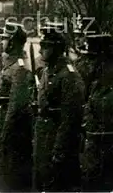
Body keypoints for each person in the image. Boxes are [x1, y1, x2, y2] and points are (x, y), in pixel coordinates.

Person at [32, 22, 84, 192]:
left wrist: (59, 149)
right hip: (44, 137)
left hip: (58, 140)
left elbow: (70, 117)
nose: (40, 51)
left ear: (56, 48)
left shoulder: (69, 75)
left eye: (45, 47)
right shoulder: (48, 71)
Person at [0, 22, 33, 192]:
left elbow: (16, 106)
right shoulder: (10, 63)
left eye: (5, 39)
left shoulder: (20, 68)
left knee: (13, 169)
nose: (1, 42)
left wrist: (5, 131)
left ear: (13, 42)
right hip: (3, 118)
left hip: (13, 126)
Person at [82, 33, 113, 192]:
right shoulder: (97, 84)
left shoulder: (106, 87)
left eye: (91, 59)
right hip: (94, 151)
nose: (88, 64)